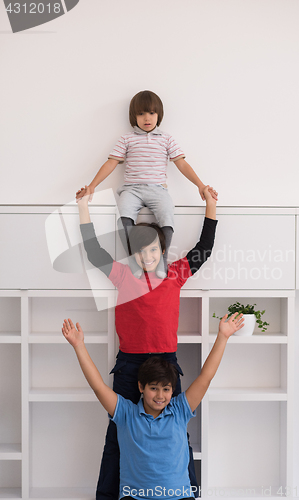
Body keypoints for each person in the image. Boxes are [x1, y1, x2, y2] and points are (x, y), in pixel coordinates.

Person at [78, 184, 217, 500]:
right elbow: (94, 252)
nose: (148, 255)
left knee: (178, 433)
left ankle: (187, 494)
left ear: (162, 249)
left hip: (167, 363)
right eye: (141, 250)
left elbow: (205, 248)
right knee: (117, 434)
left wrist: (210, 204)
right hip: (130, 365)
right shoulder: (123, 276)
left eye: (153, 249)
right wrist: (83, 208)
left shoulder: (176, 273)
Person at [61, 312, 244, 500]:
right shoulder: (126, 414)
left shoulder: (180, 410)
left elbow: (206, 377)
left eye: (166, 389)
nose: (160, 396)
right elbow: (98, 386)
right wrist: (79, 346)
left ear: (172, 390)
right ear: (141, 387)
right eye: (153, 388)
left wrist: (223, 337)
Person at [75, 90, 217, 277]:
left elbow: (181, 163)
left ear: (159, 115)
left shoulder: (166, 139)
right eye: (141, 114)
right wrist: (93, 185)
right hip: (131, 190)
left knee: (167, 213)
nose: (146, 118)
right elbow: (111, 163)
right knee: (123, 217)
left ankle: (161, 263)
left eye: (151, 113)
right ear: (134, 117)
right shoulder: (127, 139)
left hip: (157, 189)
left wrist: (200, 185)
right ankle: (134, 260)